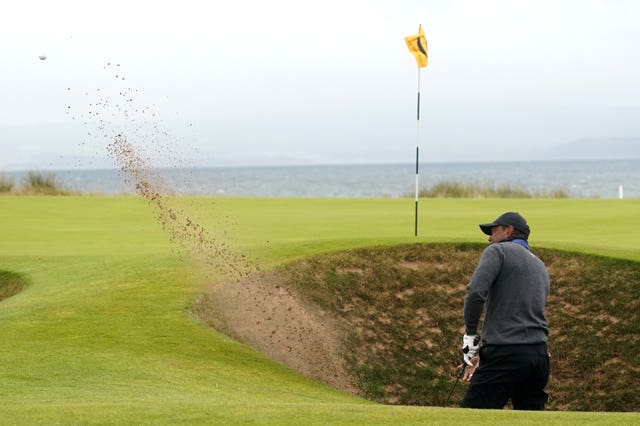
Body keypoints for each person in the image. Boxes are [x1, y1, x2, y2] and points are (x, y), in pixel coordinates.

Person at [459, 211, 551, 410]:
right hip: (539, 357)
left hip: (506, 353)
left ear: (508, 231)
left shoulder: (497, 251)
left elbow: (475, 292)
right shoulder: (540, 265)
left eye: (493, 232)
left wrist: (470, 335)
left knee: (472, 417)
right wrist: (484, 355)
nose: (490, 238)